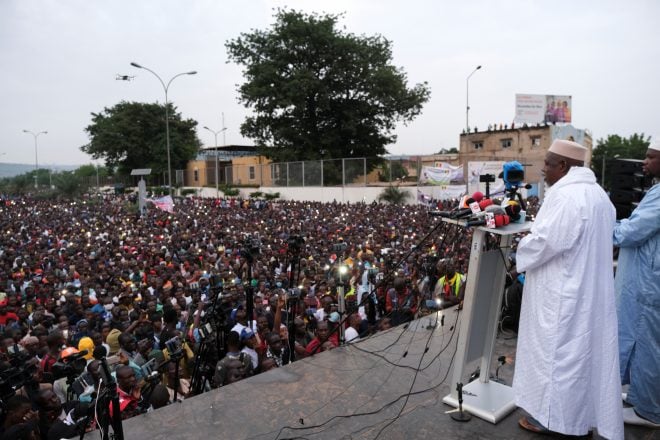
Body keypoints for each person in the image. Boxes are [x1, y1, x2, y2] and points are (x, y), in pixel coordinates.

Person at [513, 139, 623, 439]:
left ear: (563, 166)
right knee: (582, 360)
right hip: (587, 294)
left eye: (548, 163)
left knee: (557, 359)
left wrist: (518, 246)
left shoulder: (566, 196)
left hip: (563, 295)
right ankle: (580, 420)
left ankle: (553, 422)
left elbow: (547, 242)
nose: (544, 170)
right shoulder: (600, 196)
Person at [613, 138, 660, 428]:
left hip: (649, 282)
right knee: (639, 338)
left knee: (646, 343)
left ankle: (648, 410)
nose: (644, 162)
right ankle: (639, 395)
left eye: (650, 157)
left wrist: (605, 227)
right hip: (647, 279)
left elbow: (632, 232)